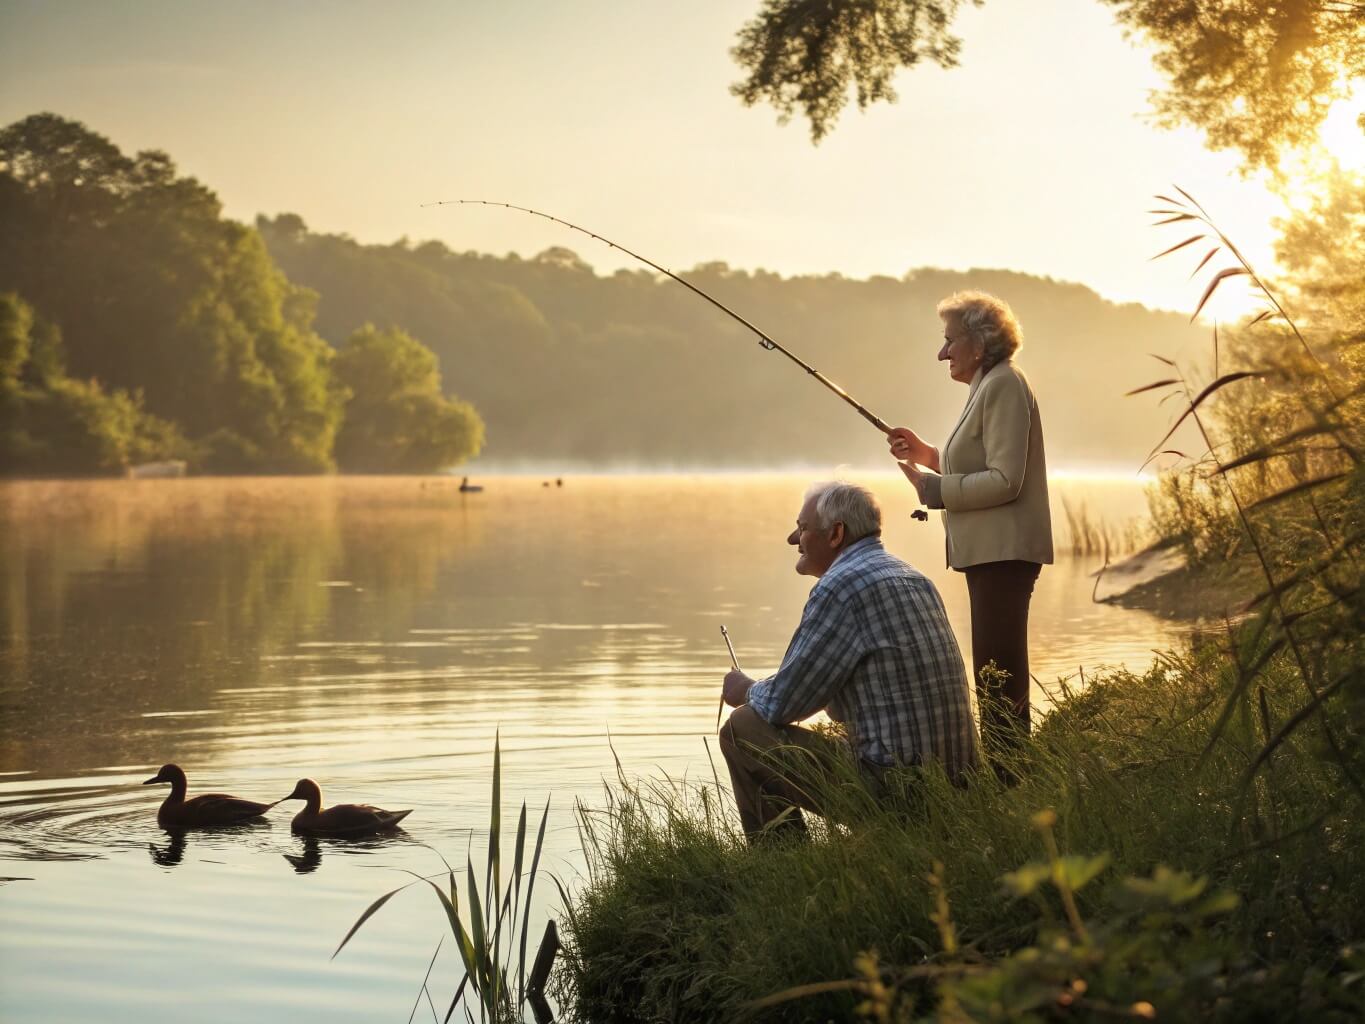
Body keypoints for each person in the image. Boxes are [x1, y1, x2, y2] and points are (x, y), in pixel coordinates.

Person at [718, 481, 977, 842]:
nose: (794, 539)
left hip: (902, 792)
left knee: (742, 727)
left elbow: (783, 704)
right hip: (960, 785)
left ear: (836, 533)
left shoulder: (840, 587)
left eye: (803, 527)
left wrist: (745, 689)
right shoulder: (915, 578)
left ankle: (781, 866)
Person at [887, 291, 1053, 752]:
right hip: (990, 554)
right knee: (994, 678)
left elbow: (1005, 480)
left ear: (978, 343)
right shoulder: (988, 386)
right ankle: (1009, 778)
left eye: (949, 341)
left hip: (1004, 553)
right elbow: (980, 464)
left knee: (998, 682)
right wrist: (927, 455)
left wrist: (933, 490)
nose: (942, 353)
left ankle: (1011, 780)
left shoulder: (1003, 385)